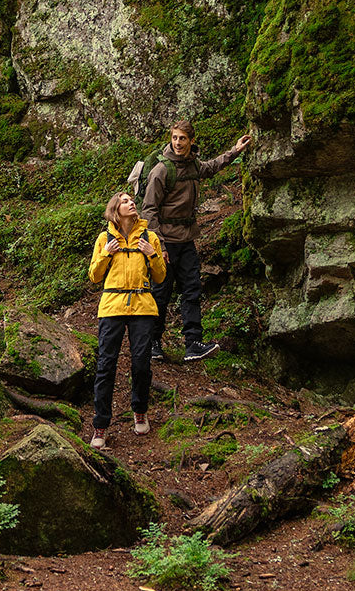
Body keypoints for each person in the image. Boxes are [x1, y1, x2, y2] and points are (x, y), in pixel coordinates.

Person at [142, 120, 252, 362]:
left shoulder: (192, 165)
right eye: (175, 138)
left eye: (182, 138)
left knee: (192, 290)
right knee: (161, 292)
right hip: (166, 243)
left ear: (191, 141)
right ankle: (152, 343)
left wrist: (235, 151)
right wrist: (158, 245)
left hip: (187, 240)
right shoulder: (161, 170)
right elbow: (148, 210)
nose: (178, 143)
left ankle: (193, 344)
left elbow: (211, 167)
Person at [87, 191, 167, 449]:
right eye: (124, 201)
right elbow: (94, 276)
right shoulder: (104, 238)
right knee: (106, 365)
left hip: (143, 306)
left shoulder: (150, 237)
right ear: (115, 209)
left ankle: (140, 411)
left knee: (141, 363)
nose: (131, 203)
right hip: (111, 307)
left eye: (132, 201)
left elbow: (161, 277)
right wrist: (106, 254)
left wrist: (152, 254)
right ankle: (100, 426)